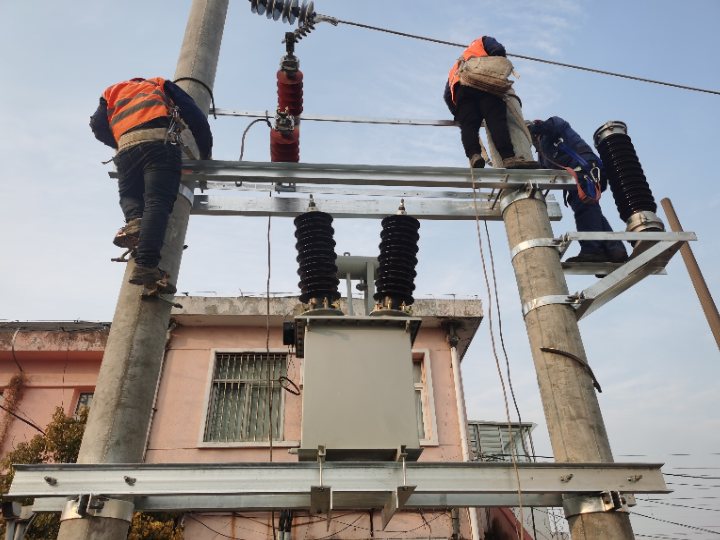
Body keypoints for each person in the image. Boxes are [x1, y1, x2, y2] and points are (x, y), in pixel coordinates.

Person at [90, 77, 213, 293]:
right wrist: (205, 152)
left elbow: (98, 125)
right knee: (157, 201)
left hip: (126, 150)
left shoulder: (112, 91)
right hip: (159, 145)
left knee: (129, 195)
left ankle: (136, 223)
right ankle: (146, 265)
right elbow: (193, 114)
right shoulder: (160, 84)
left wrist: (120, 142)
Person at [528, 116, 628, 263]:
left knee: (585, 208)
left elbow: (550, 127)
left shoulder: (555, 124)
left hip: (584, 167)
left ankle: (592, 251)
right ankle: (615, 250)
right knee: (591, 211)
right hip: (576, 177)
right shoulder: (543, 154)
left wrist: (529, 128)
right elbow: (544, 171)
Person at [444, 36, 541, 170]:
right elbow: (497, 49)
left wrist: (458, 114)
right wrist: (496, 69)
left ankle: (474, 155)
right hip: (485, 84)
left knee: (469, 125)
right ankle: (508, 157)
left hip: (462, 91)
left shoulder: (455, 68)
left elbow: (447, 95)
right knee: (496, 120)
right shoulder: (480, 41)